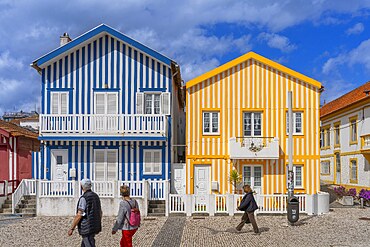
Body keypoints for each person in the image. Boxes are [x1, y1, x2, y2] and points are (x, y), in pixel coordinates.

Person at [68, 179, 102, 247]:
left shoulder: (83, 198)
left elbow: (79, 215)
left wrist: (72, 228)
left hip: (86, 227)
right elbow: (100, 211)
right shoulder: (96, 196)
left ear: (82, 187)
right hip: (95, 225)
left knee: (88, 243)